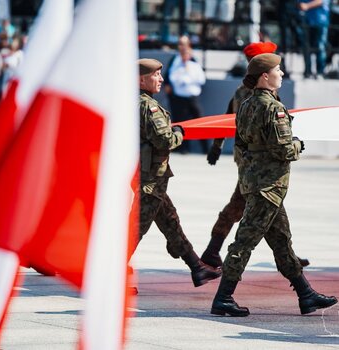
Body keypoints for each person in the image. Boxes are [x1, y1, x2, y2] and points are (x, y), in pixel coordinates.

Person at [210, 53, 337, 316]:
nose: (282, 74)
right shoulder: (273, 108)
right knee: (244, 242)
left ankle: (306, 295)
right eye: (278, 70)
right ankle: (223, 297)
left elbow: (242, 144)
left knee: (281, 242)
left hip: (255, 183)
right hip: (269, 187)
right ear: (265, 76)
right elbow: (284, 151)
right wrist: (299, 144)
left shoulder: (245, 104)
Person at [201, 42, 310, 269]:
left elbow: (228, 116)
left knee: (265, 209)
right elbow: (231, 119)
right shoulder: (255, 93)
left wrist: (218, 145)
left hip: (251, 160)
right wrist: (217, 145)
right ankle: (214, 251)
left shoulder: (243, 91)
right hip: (259, 164)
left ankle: (287, 258)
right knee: (244, 207)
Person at [129, 58, 221, 293]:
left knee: (170, 222)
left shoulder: (134, 102)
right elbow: (165, 140)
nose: (161, 79)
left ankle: (196, 267)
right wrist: (179, 132)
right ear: (142, 79)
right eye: (156, 75)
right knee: (134, 231)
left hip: (150, 177)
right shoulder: (147, 107)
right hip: (150, 179)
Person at [164, 35, 208, 154]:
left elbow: (200, 78)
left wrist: (188, 78)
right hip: (178, 96)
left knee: (199, 121)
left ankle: (206, 148)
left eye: (184, 44)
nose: (182, 48)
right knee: (181, 123)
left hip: (192, 96)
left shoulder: (194, 63)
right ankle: (183, 148)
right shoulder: (175, 60)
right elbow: (169, 75)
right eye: (180, 44)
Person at [298, 0, 331, 79]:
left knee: (320, 46)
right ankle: (307, 72)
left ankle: (320, 72)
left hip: (320, 20)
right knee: (306, 47)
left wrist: (307, 6)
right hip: (307, 20)